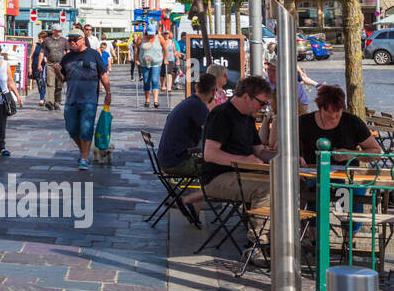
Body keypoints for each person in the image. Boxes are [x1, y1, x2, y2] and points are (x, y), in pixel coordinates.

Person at [185, 75, 275, 219]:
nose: (264, 107)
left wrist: (285, 157)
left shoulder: (247, 117)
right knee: (267, 191)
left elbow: (260, 152)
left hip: (242, 175)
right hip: (218, 178)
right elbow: (210, 154)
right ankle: (259, 239)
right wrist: (244, 160)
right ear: (246, 97)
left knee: (291, 184)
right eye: (262, 103)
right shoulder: (222, 115)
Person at [51, 29, 110, 170]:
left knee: (86, 128)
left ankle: (84, 158)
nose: (72, 42)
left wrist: (108, 92)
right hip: (72, 98)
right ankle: (85, 151)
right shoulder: (67, 57)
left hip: (89, 98)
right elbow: (63, 80)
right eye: (70, 40)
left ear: (83, 39)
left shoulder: (93, 54)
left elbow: (103, 73)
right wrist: (58, 71)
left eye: (75, 39)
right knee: (71, 128)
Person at [294, 84, 381, 168]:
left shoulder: (352, 122)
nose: (332, 116)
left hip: (346, 177)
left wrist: (351, 154)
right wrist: (296, 158)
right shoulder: (304, 121)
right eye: (328, 112)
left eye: (337, 111)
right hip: (311, 174)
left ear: (343, 108)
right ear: (320, 108)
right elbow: (286, 147)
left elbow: (376, 153)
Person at [157, 73, 217, 178]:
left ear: (196, 87)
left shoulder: (190, 102)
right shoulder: (198, 106)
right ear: (214, 92)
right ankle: (207, 194)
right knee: (219, 167)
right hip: (177, 163)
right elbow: (212, 134)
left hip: (166, 160)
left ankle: (204, 193)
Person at [41, 25, 68, 111]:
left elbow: (67, 52)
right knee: (50, 83)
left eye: (60, 30)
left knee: (59, 85)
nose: (59, 32)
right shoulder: (47, 40)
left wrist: (67, 63)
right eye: (58, 30)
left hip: (61, 65)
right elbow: (42, 52)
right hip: (50, 64)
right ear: (53, 31)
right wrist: (39, 64)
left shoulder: (64, 41)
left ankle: (57, 102)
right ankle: (49, 102)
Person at [137, 30, 164, 109]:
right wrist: (136, 59)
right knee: (146, 81)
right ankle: (147, 100)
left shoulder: (159, 37)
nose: (151, 36)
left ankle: (156, 101)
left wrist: (165, 59)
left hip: (156, 63)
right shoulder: (141, 38)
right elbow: (136, 48)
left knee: (155, 80)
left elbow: (165, 48)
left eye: (152, 34)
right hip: (144, 63)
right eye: (149, 34)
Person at [30, 31, 49, 106]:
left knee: (43, 82)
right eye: (39, 38)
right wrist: (29, 67)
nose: (40, 39)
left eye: (41, 38)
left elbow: (49, 56)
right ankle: (42, 98)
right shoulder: (35, 45)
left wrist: (46, 59)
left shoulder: (47, 47)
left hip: (44, 66)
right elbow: (31, 57)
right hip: (35, 66)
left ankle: (43, 98)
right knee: (39, 83)